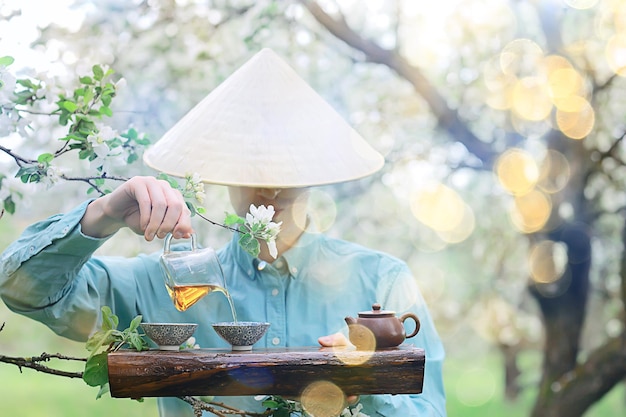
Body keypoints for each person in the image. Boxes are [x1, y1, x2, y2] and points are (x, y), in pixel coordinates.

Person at [0, 48, 446, 416]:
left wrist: (363, 381)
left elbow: (429, 409)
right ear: (223, 171)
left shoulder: (381, 280)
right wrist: (103, 216)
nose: (271, 182)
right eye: (253, 163)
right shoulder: (164, 284)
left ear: (315, 169)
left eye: (288, 164)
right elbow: (22, 289)